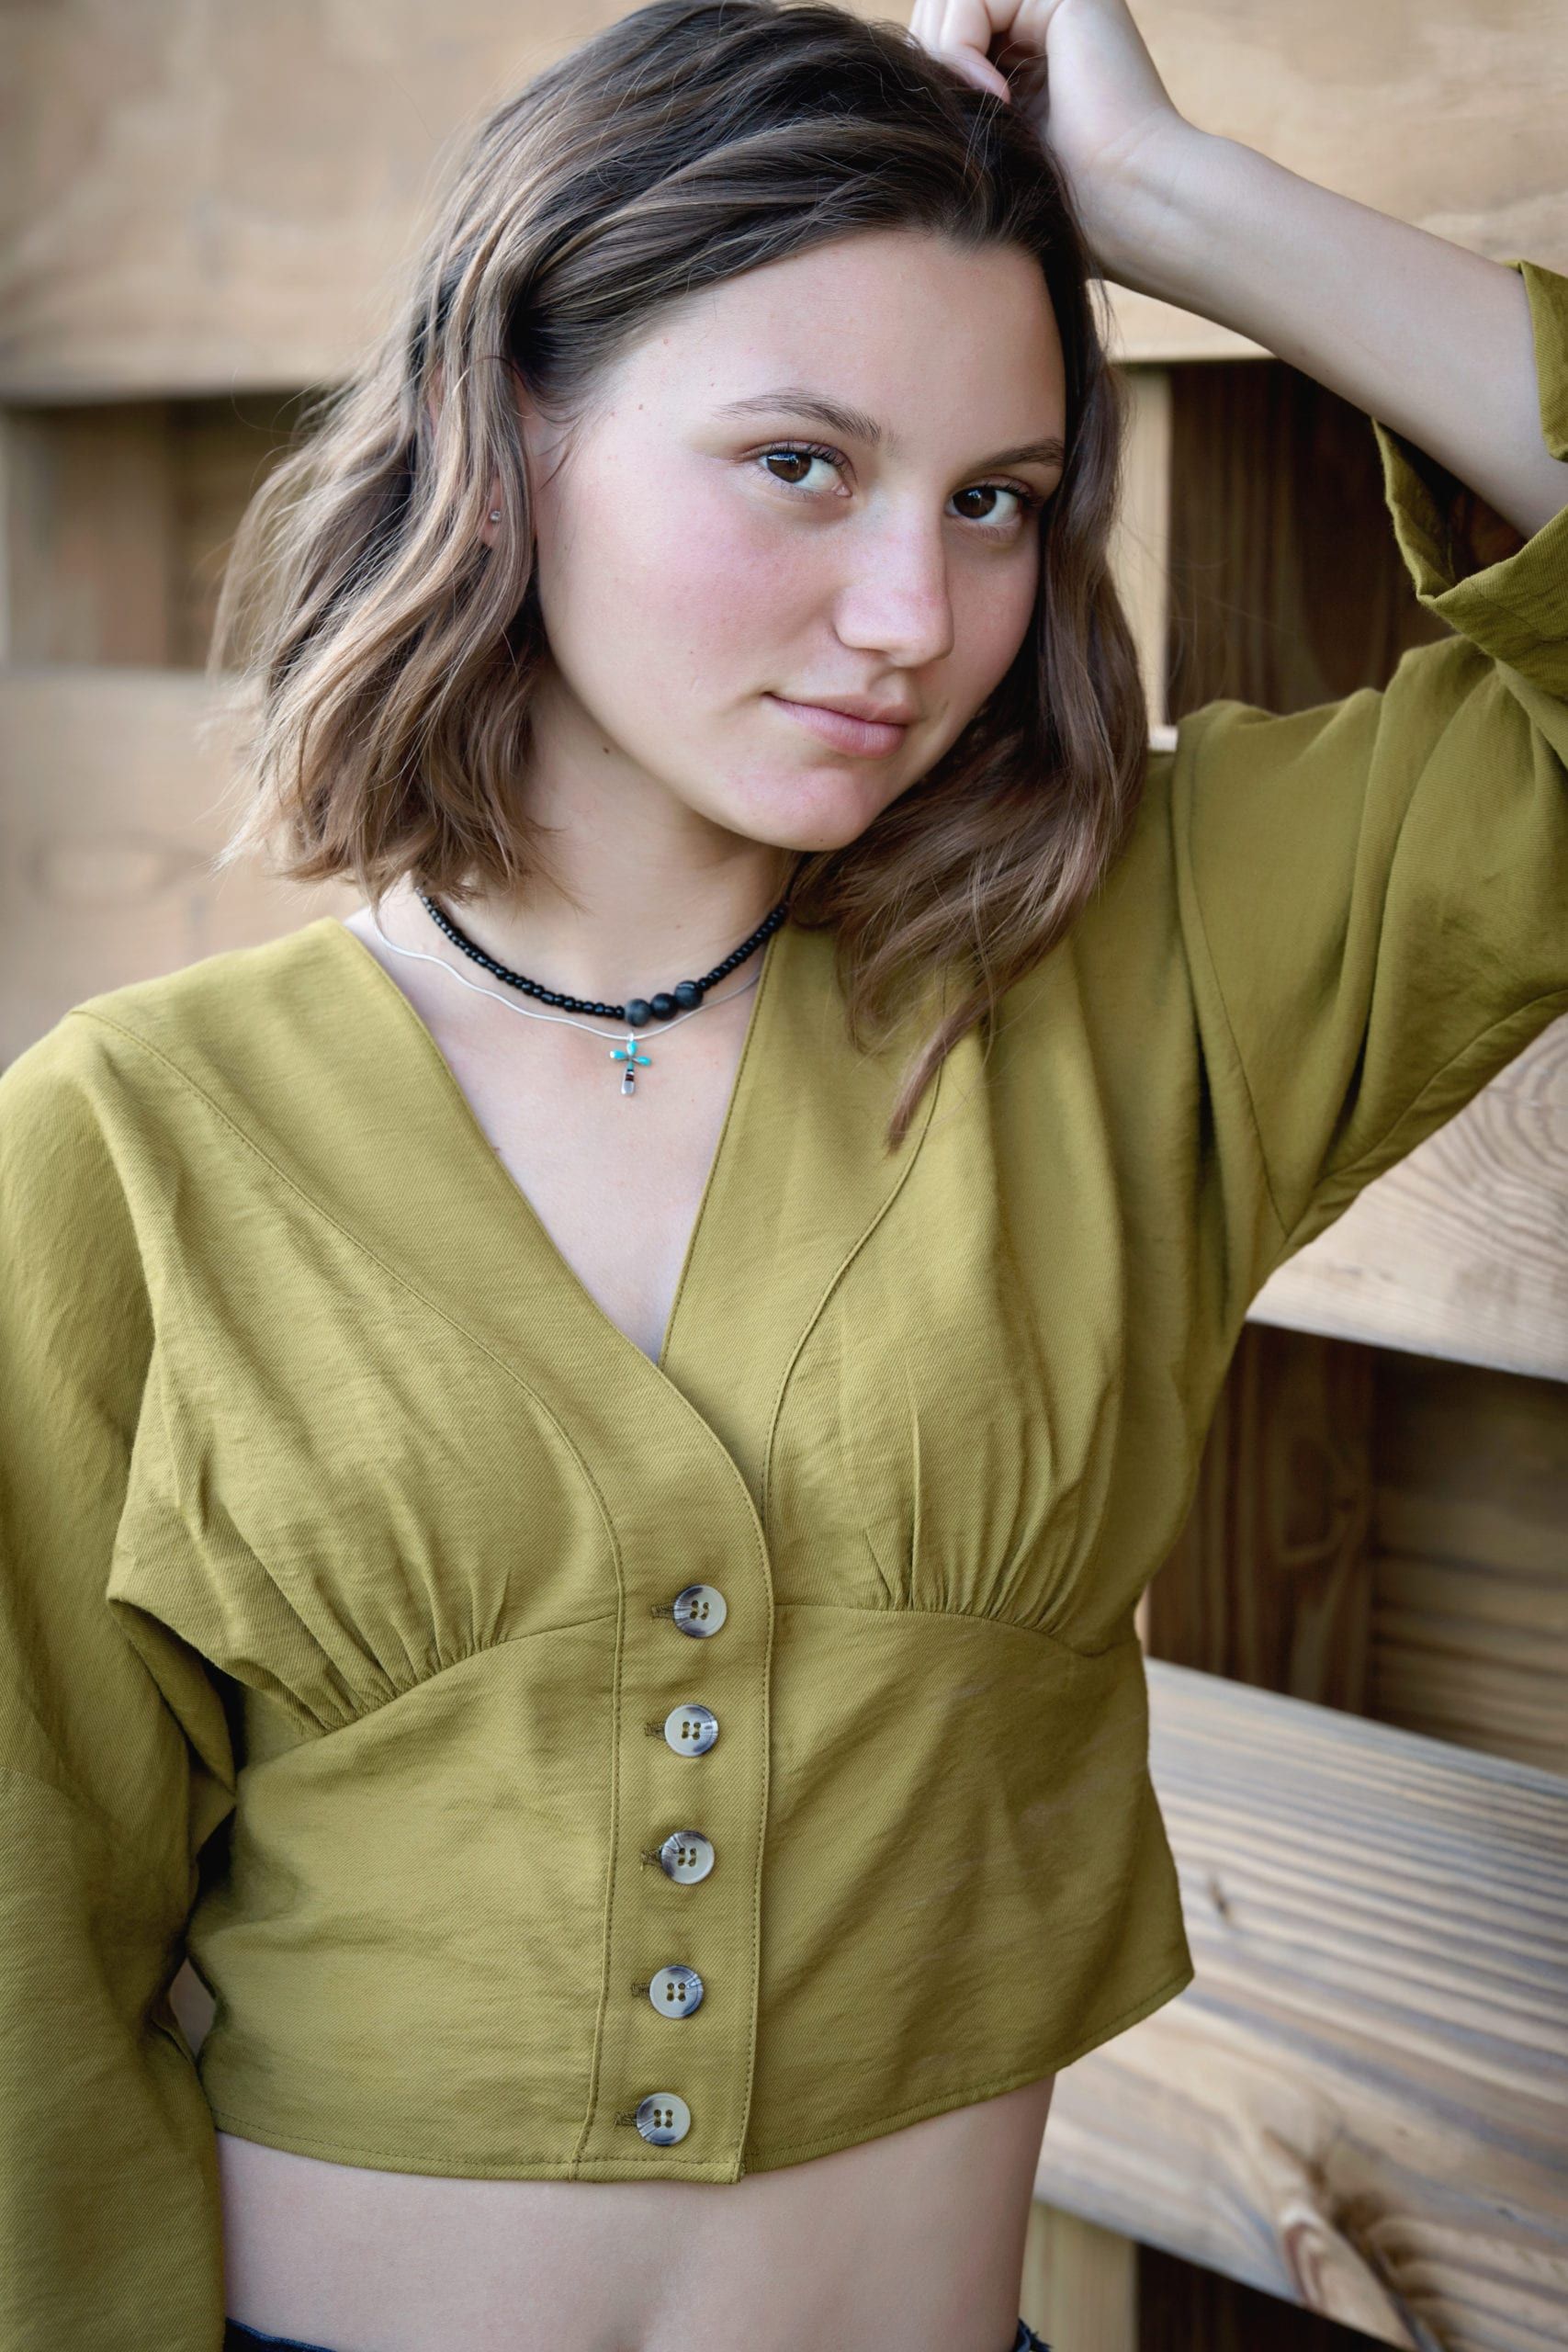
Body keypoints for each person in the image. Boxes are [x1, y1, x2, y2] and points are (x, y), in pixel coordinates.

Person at [1, 1, 1563, 2347]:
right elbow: (26, 1996)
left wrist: (1167, 203)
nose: (912, 619)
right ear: (516, 424)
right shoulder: (125, 1149)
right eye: (798, 463)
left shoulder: (1144, 986)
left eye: (992, 498)